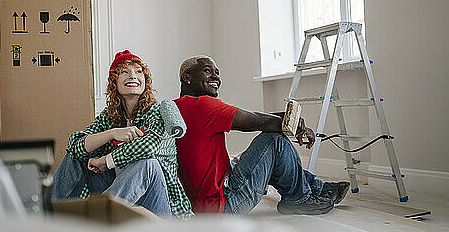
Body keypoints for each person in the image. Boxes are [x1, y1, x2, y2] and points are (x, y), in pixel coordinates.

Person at [174, 55, 349, 215]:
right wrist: (294, 125)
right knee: (273, 141)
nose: (216, 77)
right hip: (224, 205)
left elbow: (255, 116)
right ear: (187, 77)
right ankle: (299, 198)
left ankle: (316, 188)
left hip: (201, 205)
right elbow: (259, 121)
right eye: (207, 71)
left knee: (250, 158)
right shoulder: (203, 105)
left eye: (217, 73)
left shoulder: (176, 108)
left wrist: (289, 120)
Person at [51, 50, 193, 219]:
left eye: (138, 71)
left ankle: (98, 216)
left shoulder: (159, 110)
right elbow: (74, 146)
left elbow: (148, 147)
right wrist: (112, 133)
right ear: (114, 82)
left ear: (145, 81)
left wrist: (106, 161)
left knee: (148, 164)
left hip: (159, 207)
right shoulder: (109, 117)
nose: (133, 75)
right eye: (125, 71)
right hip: (122, 204)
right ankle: (48, 215)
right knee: (78, 156)